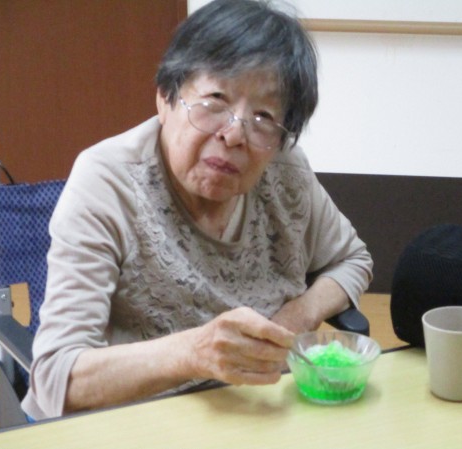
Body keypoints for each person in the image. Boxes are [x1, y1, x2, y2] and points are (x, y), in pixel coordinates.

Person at [22, 0, 373, 419]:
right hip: (138, 420)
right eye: (215, 101)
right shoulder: (108, 182)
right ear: (165, 99)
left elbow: (352, 259)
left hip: (256, 412)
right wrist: (194, 353)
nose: (235, 134)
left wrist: (297, 316)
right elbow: (57, 380)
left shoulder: (286, 172)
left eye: (263, 116)